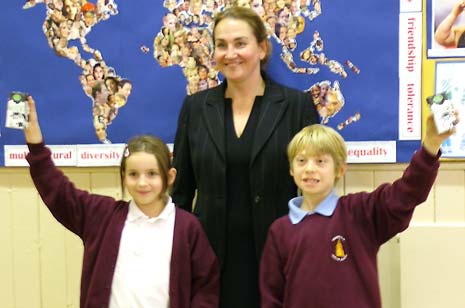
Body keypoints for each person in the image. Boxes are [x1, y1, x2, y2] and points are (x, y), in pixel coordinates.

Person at [172, 6, 320, 308]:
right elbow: (182, 193)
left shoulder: (296, 106)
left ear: (262, 48)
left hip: (279, 259)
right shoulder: (195, 108)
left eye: (240, 43)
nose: (230, 53)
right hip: (209, 263)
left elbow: (316, 190)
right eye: (222, 45)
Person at [23, 96, 220, 308]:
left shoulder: (187, 227)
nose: (142, 183)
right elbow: (59, 192)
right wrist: (35, 145)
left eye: (152, 174)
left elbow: (206, 287)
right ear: (124, 176)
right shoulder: (101, 216)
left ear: (169, 177)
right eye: (134, 174)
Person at [259, 113, 459, 308]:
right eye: (301, 161)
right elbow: (272, 297)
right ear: (291, 169)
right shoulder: (280, 231)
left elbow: (407, 194)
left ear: (340, 169)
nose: (310, 168)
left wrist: (431, 145)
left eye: (320, 161)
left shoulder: (360, 212)